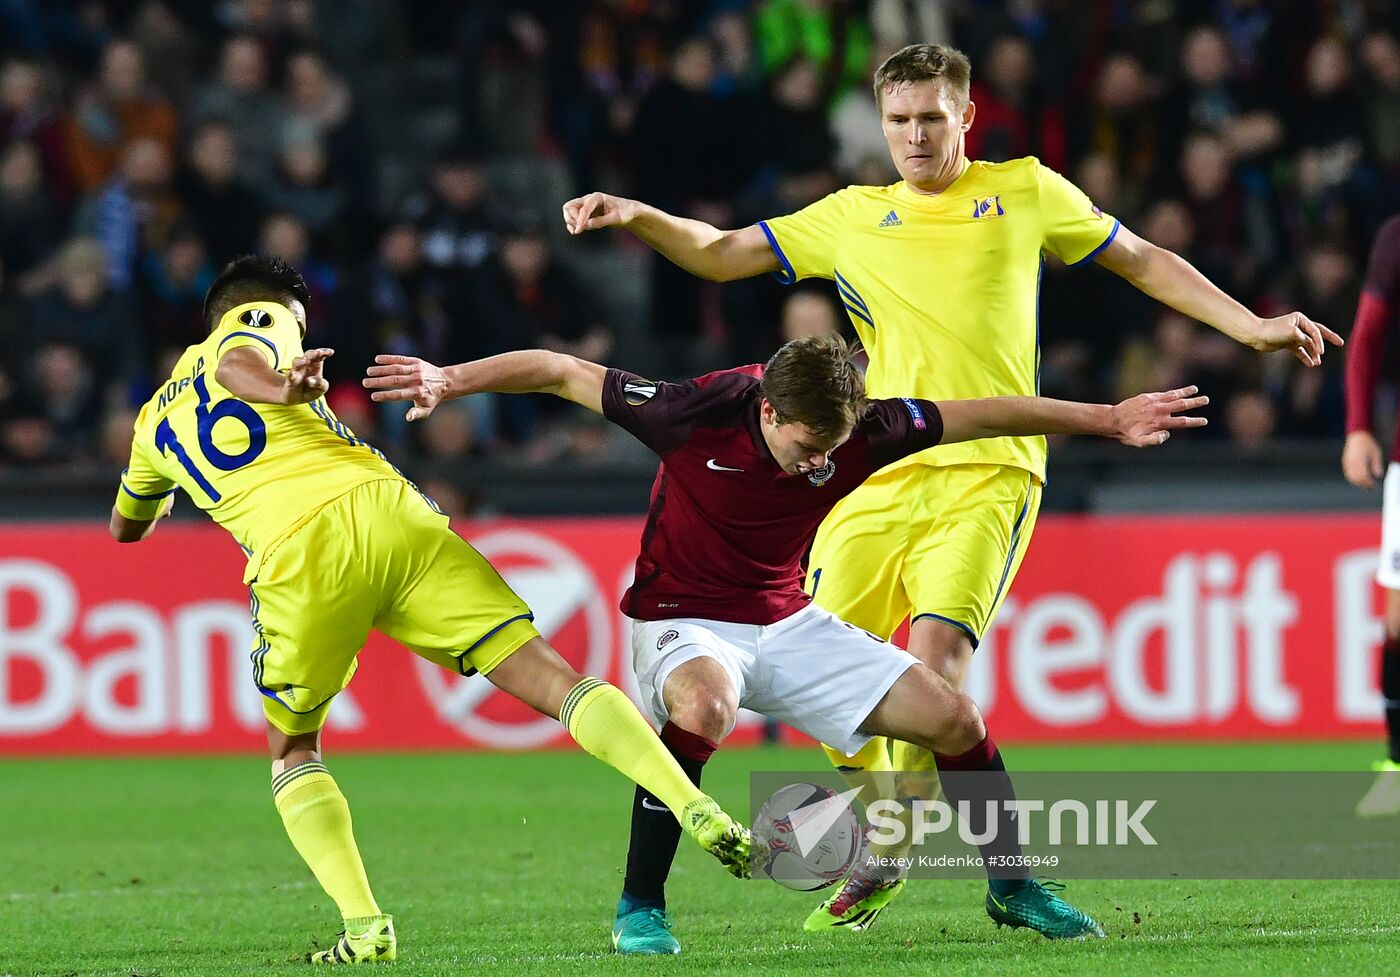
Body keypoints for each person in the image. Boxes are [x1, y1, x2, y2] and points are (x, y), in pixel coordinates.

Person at [560, 42, 1341, 934]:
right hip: (869, 473)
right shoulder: (851, 215)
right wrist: (638, 214)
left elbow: (1143, 258)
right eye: (899, 121)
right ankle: (888, 840)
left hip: (989, 469)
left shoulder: (1028, 189)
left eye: (933, 118)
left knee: (934, 668)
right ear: (882, 123)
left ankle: (972, 871)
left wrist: (1252, 328)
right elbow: (718, 251)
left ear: (967, 115)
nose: (916, 137)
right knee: (815, 680)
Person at [361, 335, 1209, 948]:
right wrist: (450, 377)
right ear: (765, 409)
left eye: (831, 451)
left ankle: (1015, 886)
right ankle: (640, 906)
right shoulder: (693, 413)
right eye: (807, 448)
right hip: (679, 618)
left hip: (786, 619)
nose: (818, 465)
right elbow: (557, 368)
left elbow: (984, 413)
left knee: (953, 715)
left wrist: (1108, 416)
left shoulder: (863, 427)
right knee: (707, 702)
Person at [108, 256, 749, 965]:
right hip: (389, 510)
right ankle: (685, 798)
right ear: (263, 308)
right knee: (554, 679)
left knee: (294, 748)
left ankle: (365, 927)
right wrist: (284, 386)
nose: (298, 330)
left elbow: (125, 528)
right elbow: (238, 363)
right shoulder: (257, 319)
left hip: (300, 554)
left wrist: (163, 490)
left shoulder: (147, 425)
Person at [1341, 213, 1400, 817]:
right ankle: (1396, 764)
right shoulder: (1395, 237)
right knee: (1399, 621)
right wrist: (1359, 428)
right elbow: (1367, 338)